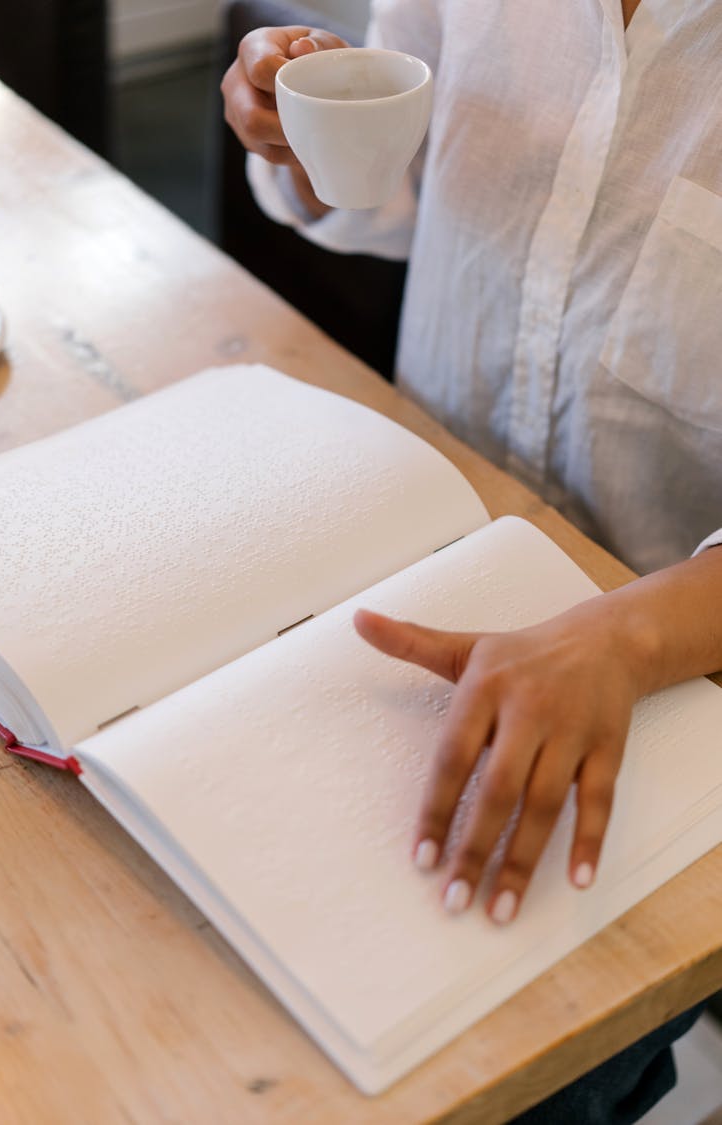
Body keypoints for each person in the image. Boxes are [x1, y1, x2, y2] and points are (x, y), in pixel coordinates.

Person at [221, 3, 721, 1120]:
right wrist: (298, 132)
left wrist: (623, 632)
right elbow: (392, 189)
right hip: (416, 577)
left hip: (675, 690)